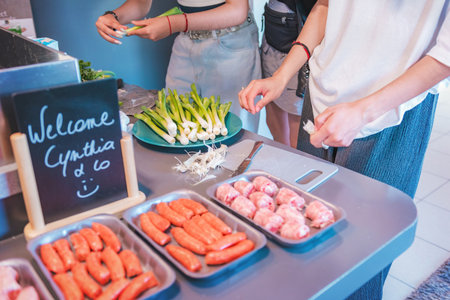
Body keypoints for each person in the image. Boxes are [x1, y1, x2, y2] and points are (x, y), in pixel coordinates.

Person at [239, 0, 449, 298]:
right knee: (306, 238)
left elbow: (445, 53)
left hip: (390, 114)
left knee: (360, 268)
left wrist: (363, 112)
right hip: (320, 94)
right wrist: (281, 76)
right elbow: (324, 6)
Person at [95, 0, 261, 132]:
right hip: (186, 40)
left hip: (230, 42)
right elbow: (140, 4)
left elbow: (237, 10)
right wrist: (113, 17)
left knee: (231, 132)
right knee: (176, 125)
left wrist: (173, 24)